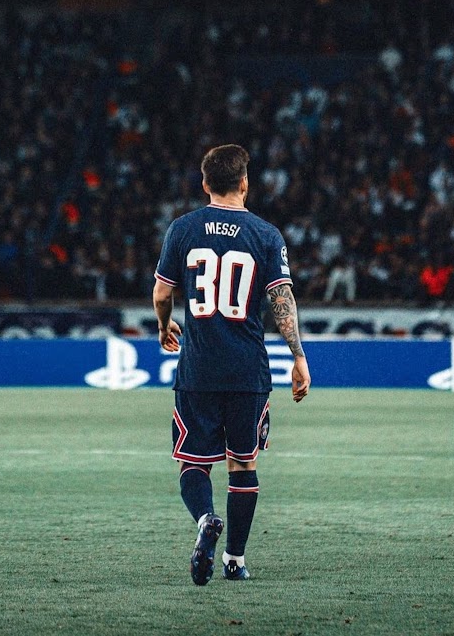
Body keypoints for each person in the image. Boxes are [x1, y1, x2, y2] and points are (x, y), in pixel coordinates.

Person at [153, 144, 311, 586]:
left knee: (193, 463)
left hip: (198, 368)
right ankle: (235, 560)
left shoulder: (182, 229)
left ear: (205, 184)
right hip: (247, 371)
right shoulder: (266, 235)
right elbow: (281, 299)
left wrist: (164, 326)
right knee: (243, 464)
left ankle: (206, 518)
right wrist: (298, 355)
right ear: (245, 183)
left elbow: (163, 293)